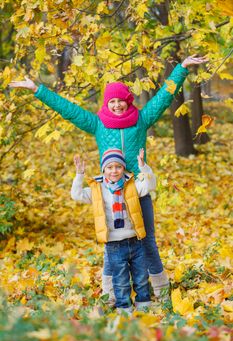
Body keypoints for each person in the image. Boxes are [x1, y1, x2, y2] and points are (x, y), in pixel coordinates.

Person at [9, 55, 208, 301]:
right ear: (107, 103)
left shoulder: (141, 120)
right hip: (109, 191)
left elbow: (163, 97)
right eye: (112, 101)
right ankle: (109, 293)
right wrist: (38, 89)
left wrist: (181, 69)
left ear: (128, 102)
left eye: (120, 101)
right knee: (110, 244)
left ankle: (162, 290)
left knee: (147, 241)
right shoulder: (98, 124)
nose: (116, 105)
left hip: (136, 190)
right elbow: (67, 110)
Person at [71, 148, 156, 313]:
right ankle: (124, 308)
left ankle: (144, 305)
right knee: (121, 279)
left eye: (118, 167)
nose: (114, 171)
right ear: (103, 169)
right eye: (109, 167)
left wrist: (143, 167)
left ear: (123, 168)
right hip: (114, 244)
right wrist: (79, 175)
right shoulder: (98, 189)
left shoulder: (131, 185)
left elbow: (150, 185)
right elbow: (76, 194)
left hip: (135, 239)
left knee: (141, 276)